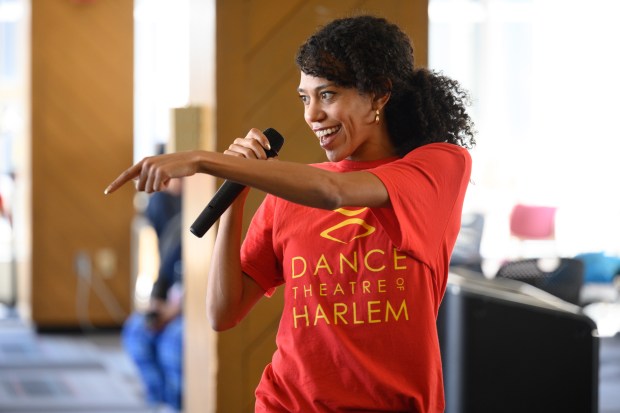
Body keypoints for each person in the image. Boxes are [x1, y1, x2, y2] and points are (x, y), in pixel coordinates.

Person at [106, 14, 475, 413]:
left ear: (379, 94)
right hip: (288, 403)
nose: (311, 114)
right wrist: (238, 195)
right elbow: (222, 312)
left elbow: (334, 192)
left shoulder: (439, 168)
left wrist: (203, 160)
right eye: (305, 97)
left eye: (327, 94)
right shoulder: (288, 193)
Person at [122, 178, 184, 412]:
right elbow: (164, 273)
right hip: (170, 304)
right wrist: (156, 303)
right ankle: (160, 400)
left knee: (172, 344)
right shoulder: (178, 227)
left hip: (193, 312)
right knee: (136, 331)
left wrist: (174, 311)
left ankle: (179, 404)